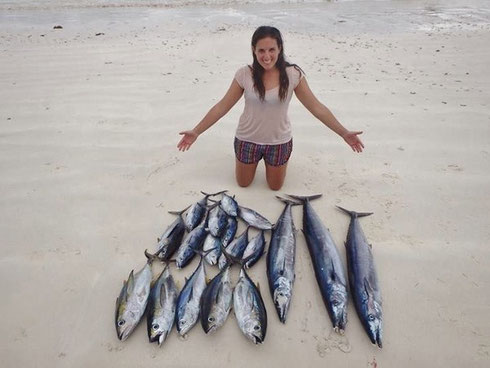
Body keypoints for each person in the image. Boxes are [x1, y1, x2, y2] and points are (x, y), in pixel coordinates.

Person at [177, 26, 364, 191]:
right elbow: (222, 106)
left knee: (275, 187)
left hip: (278, 142)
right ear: (254, 50)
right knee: (243, 184)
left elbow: (316, 107)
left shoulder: (293, 74)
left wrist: (343, 132)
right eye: (261, 51)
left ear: (280, 48)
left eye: (271, 50)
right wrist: (196, 131)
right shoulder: (244, 74)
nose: (267, 56)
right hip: (247, 139)